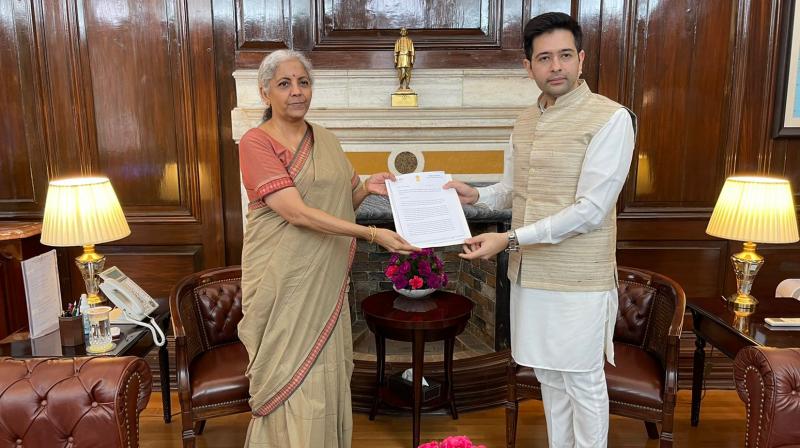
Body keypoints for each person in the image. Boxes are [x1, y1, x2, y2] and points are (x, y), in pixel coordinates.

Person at [445, 12, 635, 448]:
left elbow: (590, 211)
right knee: (549, 375)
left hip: (579, 279)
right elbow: (514, 190)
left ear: (581, 59)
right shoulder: (525, 120)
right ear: (528, 66)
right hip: (531, 275)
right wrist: (476, 196)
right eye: (545, 58)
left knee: (583, 379)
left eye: (565, 56)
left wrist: (509, 239)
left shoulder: (611, 119)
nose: (556, 67)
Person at [237, 49, 417, 448]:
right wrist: (372, 234)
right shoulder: (255, 142)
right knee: (289, 371)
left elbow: (345, 197)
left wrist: (367, 186)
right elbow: (296, 213)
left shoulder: (327, 139)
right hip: (282, 282)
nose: (296, 92)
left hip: (323, 283)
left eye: (303, 82)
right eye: (284, 84)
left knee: (326, 369)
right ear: (265, 92)